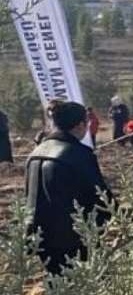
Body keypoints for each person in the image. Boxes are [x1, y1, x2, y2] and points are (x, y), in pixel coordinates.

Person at [25, 101, 112, 275]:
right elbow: (100, 196)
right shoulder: (78, 154)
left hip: (42, 239)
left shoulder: (35, 153)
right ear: (80, 125)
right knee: (88, 287)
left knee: (56, 284)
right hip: (73, 239)